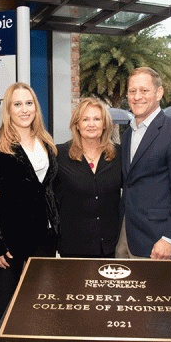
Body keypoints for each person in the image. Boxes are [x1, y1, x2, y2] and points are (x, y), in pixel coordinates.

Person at [0, 82, 59, 337]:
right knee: (6, 299)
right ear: (8, 110)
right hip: (9, 238)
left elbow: (47, 189)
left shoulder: (45, 141)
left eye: (29, 103)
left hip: (43, 237)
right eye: (17, 104)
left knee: (38, 298)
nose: (24, 109)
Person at [117, 67, 171, 260]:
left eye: (144, 90)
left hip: (157, 242)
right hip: (125, 237)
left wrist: (170, 239)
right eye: (132, 91)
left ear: (159, 93)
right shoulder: (128, 133)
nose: (137, 96)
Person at [54, 98, 122, 258]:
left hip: (109, 247)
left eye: (97, 119)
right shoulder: (60, 155)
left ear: (105, 124)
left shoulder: (119, 155)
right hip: (73, 247)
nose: (91, 124)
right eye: (85, 119)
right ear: (77, 124)